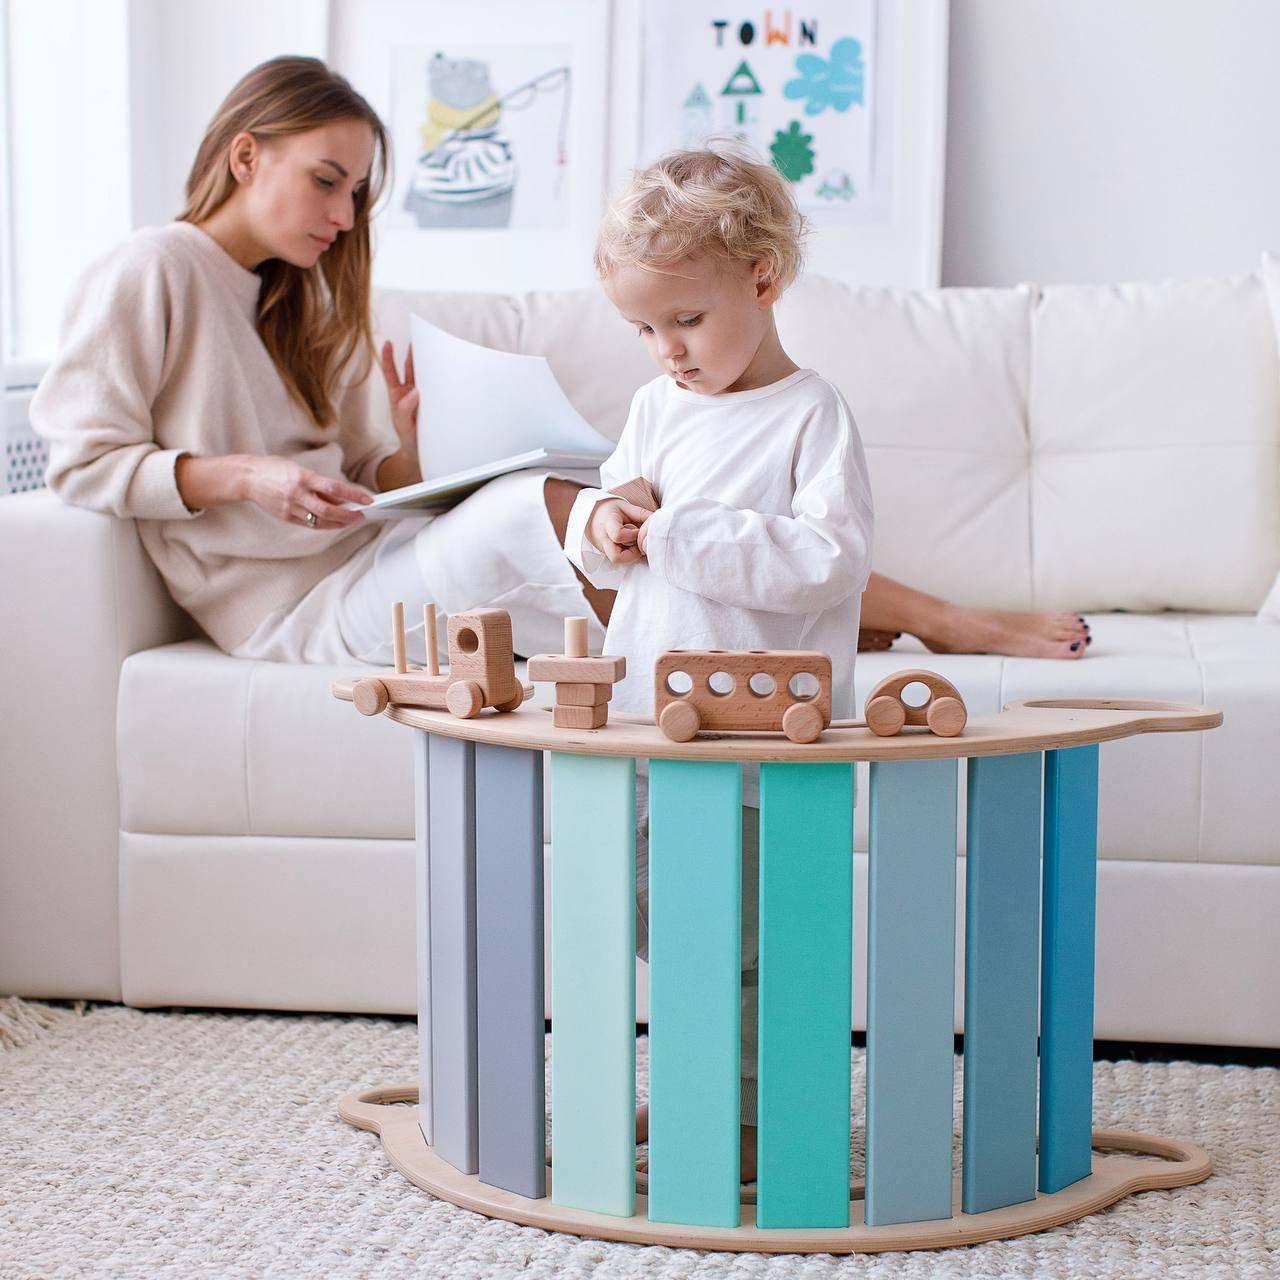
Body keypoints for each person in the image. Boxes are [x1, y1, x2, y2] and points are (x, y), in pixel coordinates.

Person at [30, 55, 594, 670]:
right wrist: (248, 476)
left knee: (596, 509)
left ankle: (683, 711)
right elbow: (81, 464)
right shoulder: (154, 267)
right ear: (245, 158)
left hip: (374, 555)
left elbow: (358, 473)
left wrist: (411, 453)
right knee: (538, 508)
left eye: (355, 194)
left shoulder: (310, 296)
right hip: (296, 605)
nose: (345, 218)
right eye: (325, 182)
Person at [560, 145, 874, 1182]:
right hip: (648, 721)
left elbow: (829, 560)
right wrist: (605, 522)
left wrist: (675, 531)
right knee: (665, 921)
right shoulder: (657, 408)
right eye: (644, 328)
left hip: (752, 738)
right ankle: (686, 1075)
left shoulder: (809, 414)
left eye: (684, 321)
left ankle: (744, 1108)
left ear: (762, 280)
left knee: (742, 943)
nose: (666, 351)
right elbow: (609, 516)